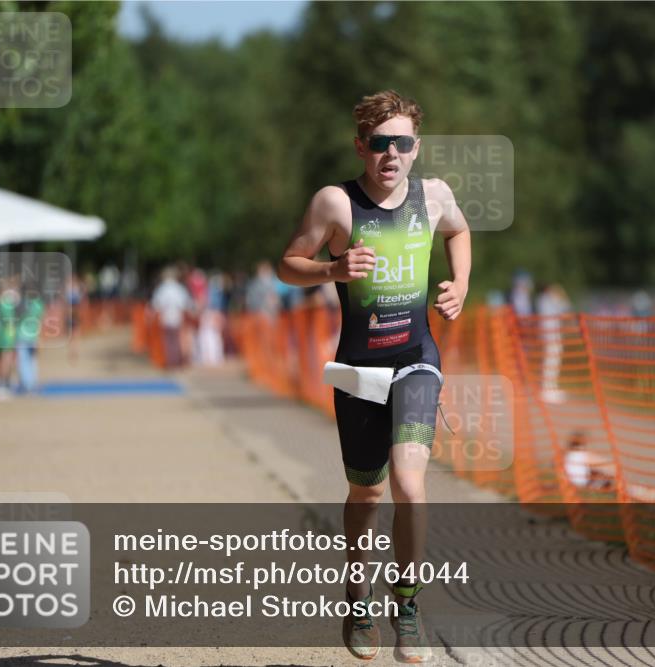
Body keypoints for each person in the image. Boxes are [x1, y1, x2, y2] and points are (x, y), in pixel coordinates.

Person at [278, 90, 471, 662]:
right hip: (360, 366)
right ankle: (358, 592)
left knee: (411, 485)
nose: (391, 154)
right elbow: (288, 265)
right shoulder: (336, 204)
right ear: (361, 146)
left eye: (402, 143)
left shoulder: (434, 196)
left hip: (416, 356)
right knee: (368, 489)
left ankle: (406, 601)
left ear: (417, 147)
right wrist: (332, 268)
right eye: (380, 143)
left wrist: (459, 284)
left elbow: (459, 232)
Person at [150, 266, 191, 368]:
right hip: (177, 318)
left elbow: (156, 304)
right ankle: (176, 361)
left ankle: (170, 361)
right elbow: (186, 304)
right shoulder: (179, 288)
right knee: (176, 340)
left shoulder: (162, 289)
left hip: (166, 318)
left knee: (168, 341)